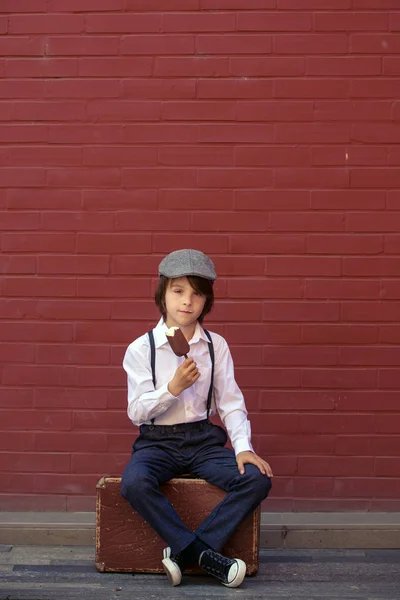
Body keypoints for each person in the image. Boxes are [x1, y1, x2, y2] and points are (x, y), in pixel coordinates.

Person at [121, 249, 273, 588]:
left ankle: (189, 551)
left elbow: (231, 402)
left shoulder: (215, 346)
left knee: (257, 479)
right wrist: (171, 389)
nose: (187, 301)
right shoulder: (141, 349)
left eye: (197, 293)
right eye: (178, 291)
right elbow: (136, 412)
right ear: (162, 294)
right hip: (157, 442)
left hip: (203, 441)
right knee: (133, 482)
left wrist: (242, 447)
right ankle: (205, 555)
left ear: (207, 301)